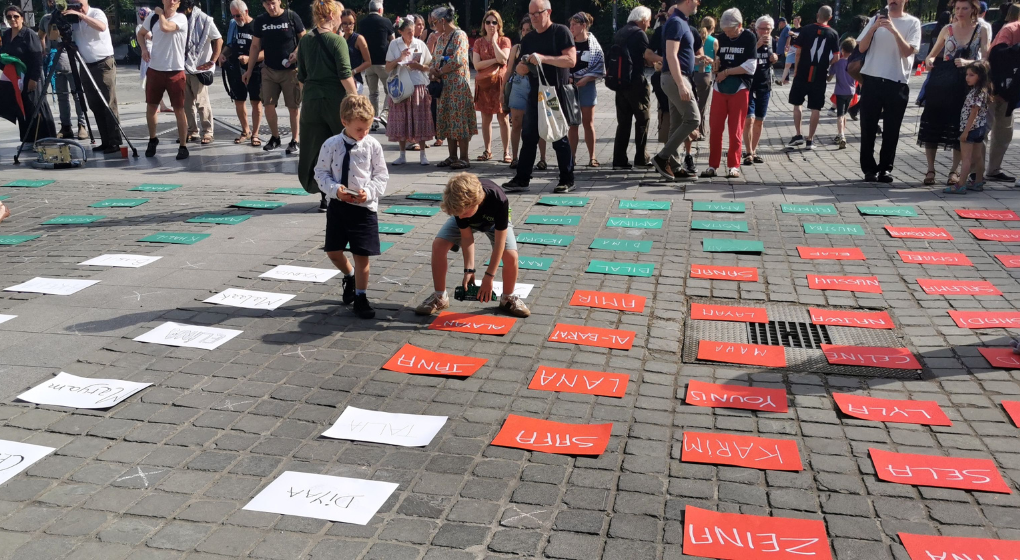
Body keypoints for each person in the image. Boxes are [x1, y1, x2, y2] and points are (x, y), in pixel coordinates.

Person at [414, 173, 530, 319]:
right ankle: (440, 297)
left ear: (476, 202)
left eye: (463, 214)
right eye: (458, 214)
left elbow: (499, 244)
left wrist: (489, 276)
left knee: (511, 256)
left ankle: (507, 298)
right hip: (472, 219)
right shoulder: (459, 206)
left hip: (495, 223)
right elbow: (467, 237)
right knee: (439, 245)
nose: (460, 217)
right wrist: (469, 270)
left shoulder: (498, 199)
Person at [314, 95, 389, 319]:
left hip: (364, 209)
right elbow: (320, 172)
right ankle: (349, 275)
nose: (364, 133)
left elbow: (381, 175)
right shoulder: (331, 144)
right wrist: (335, 190)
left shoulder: (372, 145)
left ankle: (362, 296)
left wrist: (369, 192)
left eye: (367, 128)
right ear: (344, 121)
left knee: (361, 256)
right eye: (359, 129)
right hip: (339, 206)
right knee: (333, 251)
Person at [502, 0, 577, 193]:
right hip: (535, 94)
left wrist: (543, 58)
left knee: (559, 137)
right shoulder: (528, 39)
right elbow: (520, 69)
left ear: (548, 12)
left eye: (538, 13)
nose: (534, 17)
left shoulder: (561, 32)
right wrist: (522, 67)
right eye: (531, 14)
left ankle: (567, 179)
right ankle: (522, 178)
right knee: (528, 137)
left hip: (555, 92)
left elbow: (571, 60)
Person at [920, 0, 987, 186]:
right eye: (957, 8)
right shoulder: (947, 29)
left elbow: (987, 61)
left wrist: (969, 63)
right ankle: (930, 169)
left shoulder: (981, 29)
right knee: (932, 125)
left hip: (965, 84)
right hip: (941, 83)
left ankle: (954, 171)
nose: (960, 12)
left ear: (974, 9)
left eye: (964, 8)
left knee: (959, 127)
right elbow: (931, 54)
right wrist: (930, 60)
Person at [298, 0, 357, 208]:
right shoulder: (337, 41)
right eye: (340, 14)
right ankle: (342, 192)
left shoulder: (305, 41)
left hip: (311, 102)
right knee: (341, 147)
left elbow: (302, 76)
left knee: (317, 149)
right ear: (332, 15)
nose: (342, 19)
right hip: (335, 102)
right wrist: (357, 100)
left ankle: (324, 195)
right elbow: (345, 75)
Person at [856, 0, 921, 183]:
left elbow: (908, 51)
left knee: (892, 129)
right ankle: (869, 169)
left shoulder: (912, 22)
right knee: (868, 127)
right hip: (872, 79)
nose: (892, 1)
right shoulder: (875, 19)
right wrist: (874, 27)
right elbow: (861, 47)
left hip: (897, 81)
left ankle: (885, 169)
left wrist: (893, 29)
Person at [244, 0, 305, 154]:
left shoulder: (291, 17)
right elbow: (255, 46)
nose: (271, 7)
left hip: (290, 71)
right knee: (268, 105)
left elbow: (304, 39)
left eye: (273, 3)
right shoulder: (260, 21)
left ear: (279, 1)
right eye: (267, 4)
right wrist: (249, 70)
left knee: (293, 107)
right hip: (269, 70)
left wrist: (297, 53)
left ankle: (295, 140)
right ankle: (275, 137)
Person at [701, 8, 755, 179]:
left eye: (730, 30)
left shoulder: (748, 37)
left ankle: (734, 165)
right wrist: (716, 64)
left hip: (739, 87)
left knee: (735, 129)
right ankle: (712, 165)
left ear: (739, 25)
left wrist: (728, 72)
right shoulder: (721, 39)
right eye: (724, 30)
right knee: (715, 128)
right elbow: (718, 59)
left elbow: (751, 66)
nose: (727, 33)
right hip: (720, 87)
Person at [650, 0, 700, 181]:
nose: (699, 3)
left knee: (677, 122)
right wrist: (681, 84)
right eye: (696, 0)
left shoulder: (680, 21)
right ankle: (662, 157)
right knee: (694, 119)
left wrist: (696, 59)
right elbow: (670, 55)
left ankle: (674, 166)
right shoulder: (676, 23)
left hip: (676, 77)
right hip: (674, 78)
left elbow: (678, 54)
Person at [138, 0, 189, 160]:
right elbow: (140, 34)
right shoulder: (152, 17)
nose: (172, 2)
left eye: (175, 0)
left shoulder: (181, 18)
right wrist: (144, 49)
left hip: (175, 70)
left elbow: (165, 27)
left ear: (179, 3)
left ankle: (183, 145)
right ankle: (153, 139)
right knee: (151, 106)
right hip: (155, 69)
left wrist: (160, 14)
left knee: (179, 109)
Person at [428, 5, 476, 170]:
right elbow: (435, 59)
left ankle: (464, 157)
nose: (433, 27)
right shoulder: (441, 38)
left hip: (457, 87)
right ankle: (452, 156)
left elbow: (459, 59)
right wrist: (433, 70)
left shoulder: (459, 35)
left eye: (434, 23)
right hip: (444, 88)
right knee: (448, 119)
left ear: (442, 21)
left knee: (460, 120)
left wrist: (440, 71)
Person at [2, 5, 57, 147]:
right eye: (9, 17)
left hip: (31, 76)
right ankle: (27, 139)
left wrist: (34, 79)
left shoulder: (29, 34)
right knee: (22, 108)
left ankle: (44, 139)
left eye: (16, 16)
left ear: (22, 18)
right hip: (16, 78)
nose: (12, 19)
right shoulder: (7, 35)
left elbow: (37, 58)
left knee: (35, 106)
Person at [786, 6, 838, 150]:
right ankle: (810, 140)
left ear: (817, 15)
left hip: (802, 71)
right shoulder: (833, 33)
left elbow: (798, 52)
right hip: (819, 74)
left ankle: (798, 134)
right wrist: (827, 69)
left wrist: (796, 69)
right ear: (830, 18)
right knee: (816, 107)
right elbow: (836, 57)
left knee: (797, 103)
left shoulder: (806, 29)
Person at [385, 14, 434, 166]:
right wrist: (399, 58)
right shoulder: (394, 44)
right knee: (401, 119)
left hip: (417, 84)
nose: (412, 34)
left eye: (413, 30)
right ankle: (402, 154)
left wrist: (418, 66)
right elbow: (387, 67)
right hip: (401, 85)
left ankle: (423, 154)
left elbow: (429, 66)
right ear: (400, 32)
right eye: (408, 31)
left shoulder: (419, 44)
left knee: (419, 119)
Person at [38, 0, 87, 141]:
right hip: (56, 60)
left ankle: (82, 125)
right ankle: (66, 126)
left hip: (73, 58)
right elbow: (41, 35)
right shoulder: (47, 18)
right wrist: (45, 50)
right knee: (61, 96)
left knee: (78, 94)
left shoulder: (72, 15)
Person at [610, 6, 652, 170]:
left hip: (620, 83)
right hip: (636, 83)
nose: (648, 25)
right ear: (642, 20)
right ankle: (641, 157)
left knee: (623, 122)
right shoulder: (639, 34)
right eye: (648, 21)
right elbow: (646, 58)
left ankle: (619, 159)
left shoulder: (620, 32)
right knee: (643, 119)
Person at [505, 16, 547, 169]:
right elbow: (509, 70)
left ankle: (542, 159)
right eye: (523, 30)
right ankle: (515, 158)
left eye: (528, 30)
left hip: (536, 85)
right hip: (518, 85)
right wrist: (503, 91)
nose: (525, 32)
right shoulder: (516, 48)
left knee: (539, 123)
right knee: (516, 122)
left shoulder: (541, 45)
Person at [985, 2, 1019, 182]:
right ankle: (975, 170)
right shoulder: (1011, 28)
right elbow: (996, 55)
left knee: (1004, 132)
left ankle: (993, 170)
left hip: (1010, 91)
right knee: (983, 128)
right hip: (994, 86)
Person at [472, 10, 512, 163]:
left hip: (500, 85)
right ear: (484, 24)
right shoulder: (478, 42)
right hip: (485, 85)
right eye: (488, 22)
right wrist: (495, 60)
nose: (491, 25)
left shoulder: (504, 41)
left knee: (503, 119)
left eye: (494, 22)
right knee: (486, 119)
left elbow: (504, 59)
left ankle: (506, 152)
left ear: (499, 24)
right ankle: (487, 150)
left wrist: (494, 42)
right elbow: (476, 64)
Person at [180, 0, 222, 145]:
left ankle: (208, 132)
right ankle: (192, 131)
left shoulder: (204, 19)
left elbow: (218, 39)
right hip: (182, 67)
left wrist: (212, 60)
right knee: (186, 103)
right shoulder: (179, 18)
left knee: (201, 102)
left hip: (198, 67)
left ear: (190, 7)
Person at [946, 61, 991, 193]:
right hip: (980, 129)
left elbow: (974, 112)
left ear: (980, 76)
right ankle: (978, 181)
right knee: (978, 157)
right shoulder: (984, 90)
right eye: (967, 74)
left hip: (970, 129)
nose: (967, 77)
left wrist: (965, 132)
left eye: (971, 75)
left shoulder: (975, 93)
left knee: (966, 158)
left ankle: (961, 185)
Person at [223, 0, 262, 146]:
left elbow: (265, 52)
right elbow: (230, 45)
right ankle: (246, 130)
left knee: (255, 102)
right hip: (236, 67)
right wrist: (223, 55)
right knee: (239, 101)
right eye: (233, 16)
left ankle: (256, 133)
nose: (236, 19)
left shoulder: (256, 26)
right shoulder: (234, 26)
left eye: (238, 15)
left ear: (246, 12)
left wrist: (250, 58)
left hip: (255, 68)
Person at [567, 12, 604, 167]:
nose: (571, 27)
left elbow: (599, 66)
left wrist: (586, 79)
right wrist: (568, 77)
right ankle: (572, 157)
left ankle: (592, 157)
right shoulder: (568, 42)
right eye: (571, 24)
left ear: (583, 25)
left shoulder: (593, 44)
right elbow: (563, 61)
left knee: (588, 123)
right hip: (570, 86)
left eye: (574, 24)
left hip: (587, 86)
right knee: (573, 124)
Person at [743, 15, 776, 164]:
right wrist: (757, 45)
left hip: (764, 84)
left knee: (759, 120)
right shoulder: (750, 39)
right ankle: (748, 151)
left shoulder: (772, 41)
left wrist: (775, 57)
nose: (765, 32)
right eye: (762, 29)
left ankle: (754, 151)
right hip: (749, 83)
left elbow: (774, 57)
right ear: (756, 29)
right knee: (748, 119)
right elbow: (743, 57)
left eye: (768, 29)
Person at [358, 0, 395, 128]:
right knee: (390, 90)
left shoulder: (362, 23)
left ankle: (373, 120)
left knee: (373, 93)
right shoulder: (386, 22)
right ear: (380, 10)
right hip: (383, 62)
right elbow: (393, 40)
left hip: (368, 63)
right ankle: (384, 114)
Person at [828, 38, 856, 149]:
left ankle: (841, 135)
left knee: (839, 115)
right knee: (844, 114)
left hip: (840, 92)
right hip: (851, 92)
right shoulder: (854, 62)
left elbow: (829, 78)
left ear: (842, 49)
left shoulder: (838, 62)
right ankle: (841, 133)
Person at [693, 16, 716, 138]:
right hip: (706, 74)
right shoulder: (714, 41)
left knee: (693, 103)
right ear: (713, 27)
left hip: (693, 74)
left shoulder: (695, 38)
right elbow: (717, 61)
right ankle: (700, 131)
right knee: (702, 105)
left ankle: (692, 129)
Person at [341, 9, 371, 95]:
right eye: (345, 23)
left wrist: (353, 71)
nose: (348, 26)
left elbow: (368, 62)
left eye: (350, 23)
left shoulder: (359, 39)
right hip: (341, 80)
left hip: (355, 80)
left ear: (354, 23)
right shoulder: (340, 39)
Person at [779, 15, 801, 84]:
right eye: (793, 21)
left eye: (795, 21)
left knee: (798, 65)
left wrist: (794, 34)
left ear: (799, 21)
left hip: (799, 48)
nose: (794, 22)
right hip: (792, 47)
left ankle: (798, 80)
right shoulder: (792, 29)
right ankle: (782, 80)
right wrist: (787, 46)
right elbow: (789, 38)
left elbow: (802, 38)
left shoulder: (802, 30)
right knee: (787, 64)